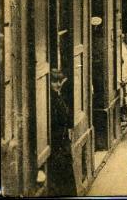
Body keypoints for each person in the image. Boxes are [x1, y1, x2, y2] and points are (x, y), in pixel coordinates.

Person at [48, 69, 76, 197]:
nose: (58, 84)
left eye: (60, 81)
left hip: (63, 145)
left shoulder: (59, 97)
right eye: (54, 81)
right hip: (57, 147)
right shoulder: (51, 102)